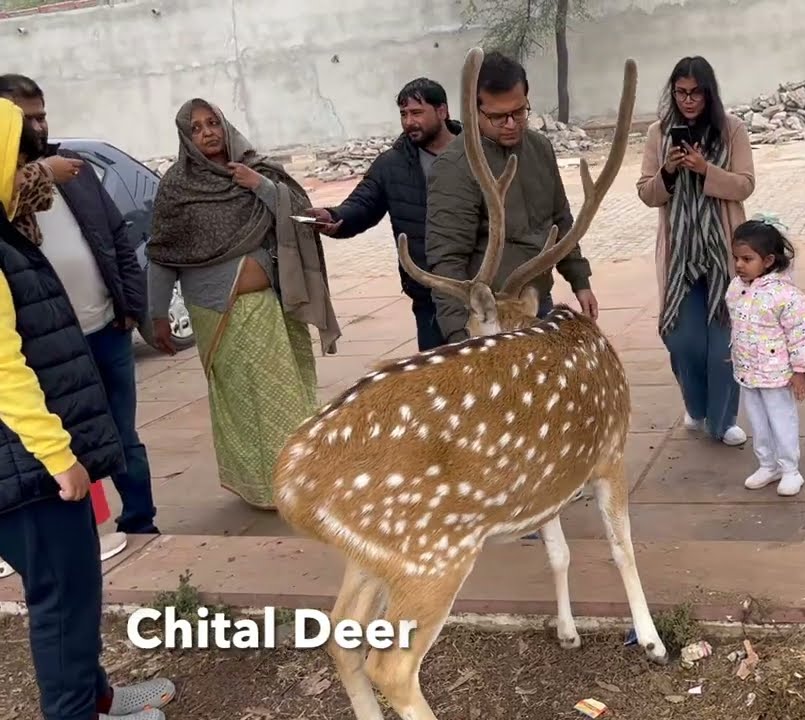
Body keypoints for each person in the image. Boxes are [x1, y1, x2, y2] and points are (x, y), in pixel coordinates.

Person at [1, 97, 178, 720]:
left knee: (73, 592)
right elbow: (3, 368)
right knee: (61, 599)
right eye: (16, 154)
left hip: (28, 460)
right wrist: (58, 456)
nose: (29, 166)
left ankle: (98, 698)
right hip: (27, 468)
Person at [147, 98, 341, 509]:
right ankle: (266, 486)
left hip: (275, 304)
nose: (207, 133)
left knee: (291, 391)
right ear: (186, 137)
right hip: (220, 312)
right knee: (243, 400)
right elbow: (162, 255)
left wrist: (262, 187)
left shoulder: (259, 170)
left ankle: (299, 477)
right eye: (196, 128)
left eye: (212, 122)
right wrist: (158, 313)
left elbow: (302, 217)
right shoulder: (177, 187)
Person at [0, 74, 159, 537]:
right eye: (24, 119)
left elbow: (116, 238)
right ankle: (90, 534)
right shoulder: (20, 184)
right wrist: (41, 171)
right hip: (44, 349)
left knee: (123, 436)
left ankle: (141, 522)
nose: (37, 126)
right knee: (69, 444)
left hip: (105, 329)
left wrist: (131, 307)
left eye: (41, 115)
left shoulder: (73, 168)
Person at [425, 52, 598, 343]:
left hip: (535, 303)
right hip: (490, 320)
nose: (510, 123)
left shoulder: (539, 148)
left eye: (519, 112)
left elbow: (560, 220)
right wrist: (462, 339)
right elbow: (447, 259)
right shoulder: (455, 167)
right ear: (473, 110)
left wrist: (580, 281)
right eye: (497, 116)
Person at [637, 56, 756, 447]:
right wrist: (668, 172)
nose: (688, 101)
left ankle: (724, 422)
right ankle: (697, 406)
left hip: (726, 252)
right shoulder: (658, 133)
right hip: (679, 254)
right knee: (684, 340)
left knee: (723, 342)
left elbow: (744, 186)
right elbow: (646, 193)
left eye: (696, 93)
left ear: (709, 93)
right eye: (680, 93)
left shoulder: (732, 129)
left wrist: (705, 169)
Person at [305, 77, 462, 351]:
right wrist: (333, 217)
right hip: (430, 292)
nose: (409, 122)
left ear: (442, 111)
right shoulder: (392, 164)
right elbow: (363, 203)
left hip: (480, 285)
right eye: (403, 114)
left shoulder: (476, 152)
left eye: (417, 113)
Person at [725, 214, 805, 496]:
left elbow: (800, 334)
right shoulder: (736, 288)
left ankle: (790, 469)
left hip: (776, 374)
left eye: (747, 259)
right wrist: (737, 352)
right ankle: (767, 464)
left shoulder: (786, 295)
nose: (739, 265)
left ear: (769, 260)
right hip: (748, 372)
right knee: (758, 421)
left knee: (781, 420)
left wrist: (800, 371)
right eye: (736, 258)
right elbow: (737, 322)